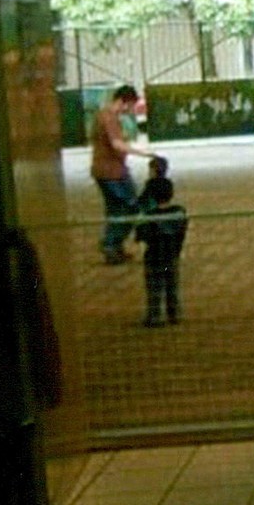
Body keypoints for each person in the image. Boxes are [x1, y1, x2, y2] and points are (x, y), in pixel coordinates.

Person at [89, 84, 157, 264]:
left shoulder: (103, 115)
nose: (130, 110)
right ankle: (110, 244)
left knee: (115, 209)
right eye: (130, 105)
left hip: (106, 170)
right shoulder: (109, 118)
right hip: (112, 172)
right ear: (123, 101)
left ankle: (114, 247)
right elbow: (117, 144)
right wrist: (144, 153)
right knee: (129, 208)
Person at [133, 176, 187, 327]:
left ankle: (154, 316)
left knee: (154, 287)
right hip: (171, 255)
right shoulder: (179, 212)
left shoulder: (147, 216)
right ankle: (174, 314)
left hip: (154, 257)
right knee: (172, 285)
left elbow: (140, 236)